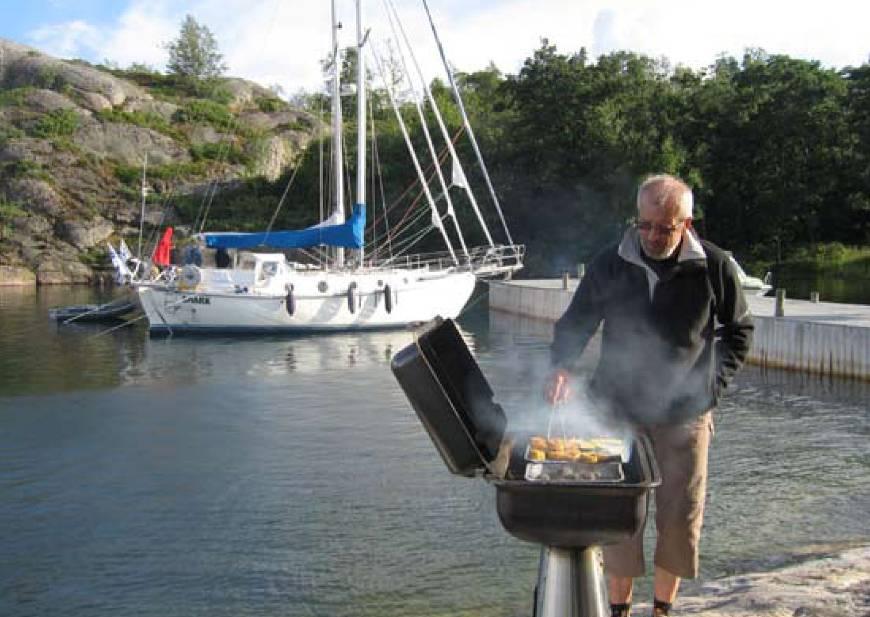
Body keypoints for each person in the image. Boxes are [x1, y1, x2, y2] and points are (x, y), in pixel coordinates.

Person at [544, 174, 754, 617]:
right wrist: (562, 365)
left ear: (687, 223)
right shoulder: (610, 262)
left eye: (665, 227)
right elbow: (577, 320)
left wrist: (710, 388)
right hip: (618, 409)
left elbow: (739, 332)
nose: (653, 236)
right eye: (646, 225)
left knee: (679, 517)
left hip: (685, 412)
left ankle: (662, 609)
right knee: (622, 517)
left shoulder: (714, 266)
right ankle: (619, 610)